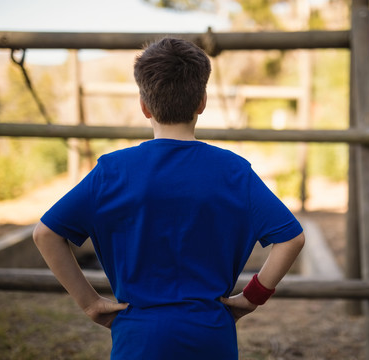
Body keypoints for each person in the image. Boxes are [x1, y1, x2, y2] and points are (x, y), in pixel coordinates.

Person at [32, 37, 305, 359]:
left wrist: (90, 303)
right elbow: (292, 238)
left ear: (144, 105)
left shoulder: (112, 172)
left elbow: (46, 234)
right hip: (211, 334)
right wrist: (251, 297)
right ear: (202, 102)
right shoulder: (233, 171)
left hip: (137, 336)